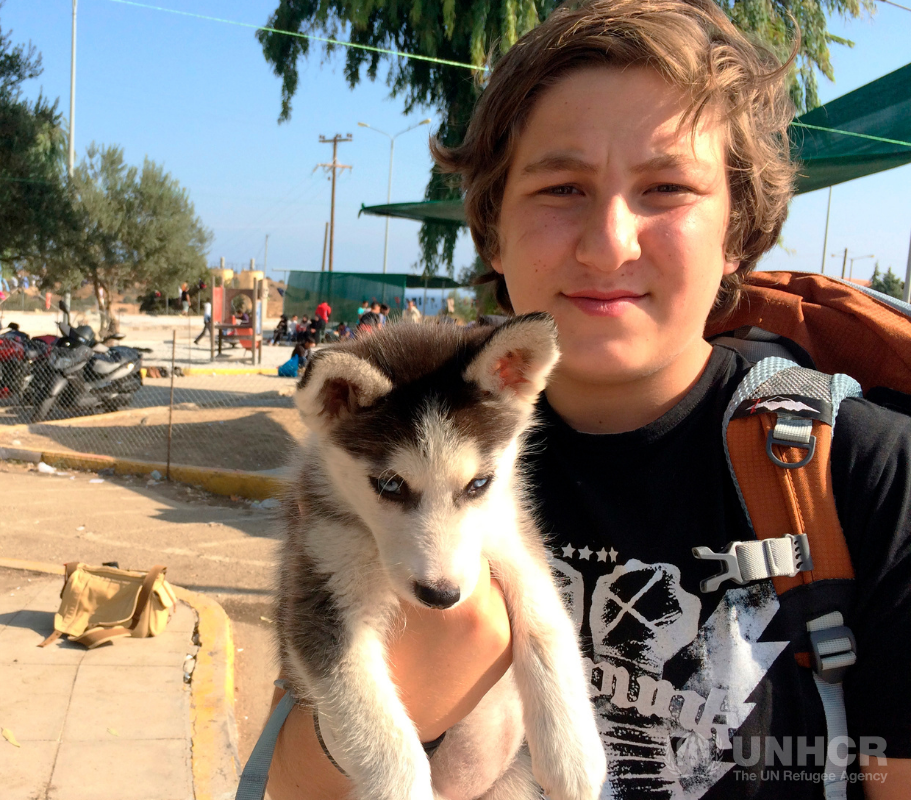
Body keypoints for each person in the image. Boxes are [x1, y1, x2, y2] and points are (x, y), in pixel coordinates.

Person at [265, 1, 910, 797]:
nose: (608, 242)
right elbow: (289, 777)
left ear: (738, 228)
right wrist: (428, 694)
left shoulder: (866, 474)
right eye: (562, 185)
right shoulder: (356, 464)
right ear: (492, 230)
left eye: (667, 187)